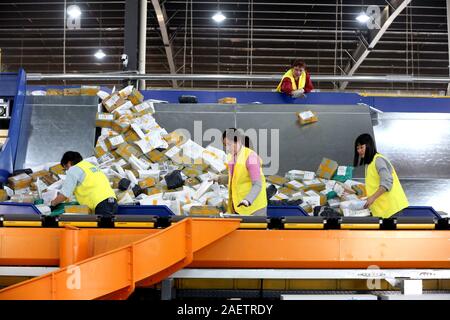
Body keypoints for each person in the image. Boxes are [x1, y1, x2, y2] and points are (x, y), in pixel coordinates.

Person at [354, 134, 409, 218]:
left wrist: (372, 198)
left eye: (361, 147)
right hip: (383, 210)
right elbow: (373, 183)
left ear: (369, 146)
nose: (359, 150)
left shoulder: (378, 160)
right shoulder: (369, 163)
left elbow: (387, 182)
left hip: (392, 209)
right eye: (357, 148)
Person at [216, 128, 267, 216]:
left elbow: (257, 184)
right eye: (225, 145)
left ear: (238, 141)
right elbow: (236, 178)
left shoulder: (251, 158)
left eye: (229, 144)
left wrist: (247, 200)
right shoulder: (234, 157)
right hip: (239, 206)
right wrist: (218, 178)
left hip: (253, 208)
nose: (227, 148)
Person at [51, 151, 118, 216]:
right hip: (112, 201)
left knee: (103, 227)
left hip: (101, 204)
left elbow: (65, 195)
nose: (67, 170)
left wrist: (53, 203)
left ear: (68, 163)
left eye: (66, 168)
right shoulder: (90, 166)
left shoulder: (73, 169)